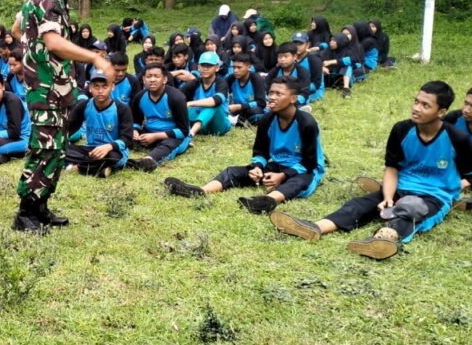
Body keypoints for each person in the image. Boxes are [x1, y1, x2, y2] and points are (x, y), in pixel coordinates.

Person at [270, 81, 472, 259]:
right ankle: (315, 227)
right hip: (400, 187)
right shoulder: (402, 130)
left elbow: (468, 175)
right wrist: (388, 197)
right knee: (360, 204)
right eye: (416, 101)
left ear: (441, 112)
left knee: (410, 211)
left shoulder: (457, 139)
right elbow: (392, 168)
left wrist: (451, 193)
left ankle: (383, 240)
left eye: (425, 105)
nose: (416, 108)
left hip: (434, 197)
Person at [13, 0, 115, 232]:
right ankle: (26, 212)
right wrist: (94, 58)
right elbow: (54, 42)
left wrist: (33, 51)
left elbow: (18, 27)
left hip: (53, 87)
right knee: (44, 147)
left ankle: (40, 206)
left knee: (56, 148)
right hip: (46, 88)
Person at [165, 77, 325, 213]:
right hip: (276, 165)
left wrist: (282, 176)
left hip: (304, 169)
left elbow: (309, 163)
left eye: (279, 94)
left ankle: (267, 201)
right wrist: (257, 167)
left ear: (293, 99)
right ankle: (201, 191)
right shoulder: (267, 119)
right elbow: (261, 151)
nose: (272, 97)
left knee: (298, 182)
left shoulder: (307, 123)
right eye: (270, 93)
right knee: (233, 172)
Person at [65, 72, 135, 177]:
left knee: (113, 158)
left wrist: (109, 146)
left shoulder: (122, 109)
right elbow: (69, 128)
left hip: (113, 151)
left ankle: (78, 167)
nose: (100, 91)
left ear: (112, 87)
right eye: (96, 86)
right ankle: (99, 168)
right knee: (61, 151)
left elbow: (127, 138)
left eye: (104, 86)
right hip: (91, 149)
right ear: (90, 88)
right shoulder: (83, 105)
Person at [128, 63, 191, 172]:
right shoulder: (140, 97)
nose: (152, 80)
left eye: (156, 76)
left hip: (173, 136)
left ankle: (148, 161)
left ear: (165, 79)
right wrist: (135, 131)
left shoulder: (177, 98)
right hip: (149, 132)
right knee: (125, 135)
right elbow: (136, 121)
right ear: (143, 79)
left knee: (168, 144)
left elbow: (184, 131)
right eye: (149, 76)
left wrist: (155, 136)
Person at [185, 51, 231, 138]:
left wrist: (190, 103)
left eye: (209, 66)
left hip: (219, 125)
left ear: (217, 68)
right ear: (198, 67)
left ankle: (190, 134)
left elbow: (216, 100)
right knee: (182, 107)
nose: (205, 69)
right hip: (202, 125)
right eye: (203, 65)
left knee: (213, 105)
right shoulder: (195, 82)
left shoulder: (221, 83)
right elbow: (178, 95)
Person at [226, 53, 267, 126]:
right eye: (234, 67)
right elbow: (222, 93)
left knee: (256, 113)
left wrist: (240, 106)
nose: (235, 70)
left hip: (253, 109)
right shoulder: (231, 79)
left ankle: (239, 120)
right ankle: (239, 120)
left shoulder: (257, 79)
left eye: (239, 67)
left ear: (249, 67)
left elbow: (261, 102)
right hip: (238, 109)